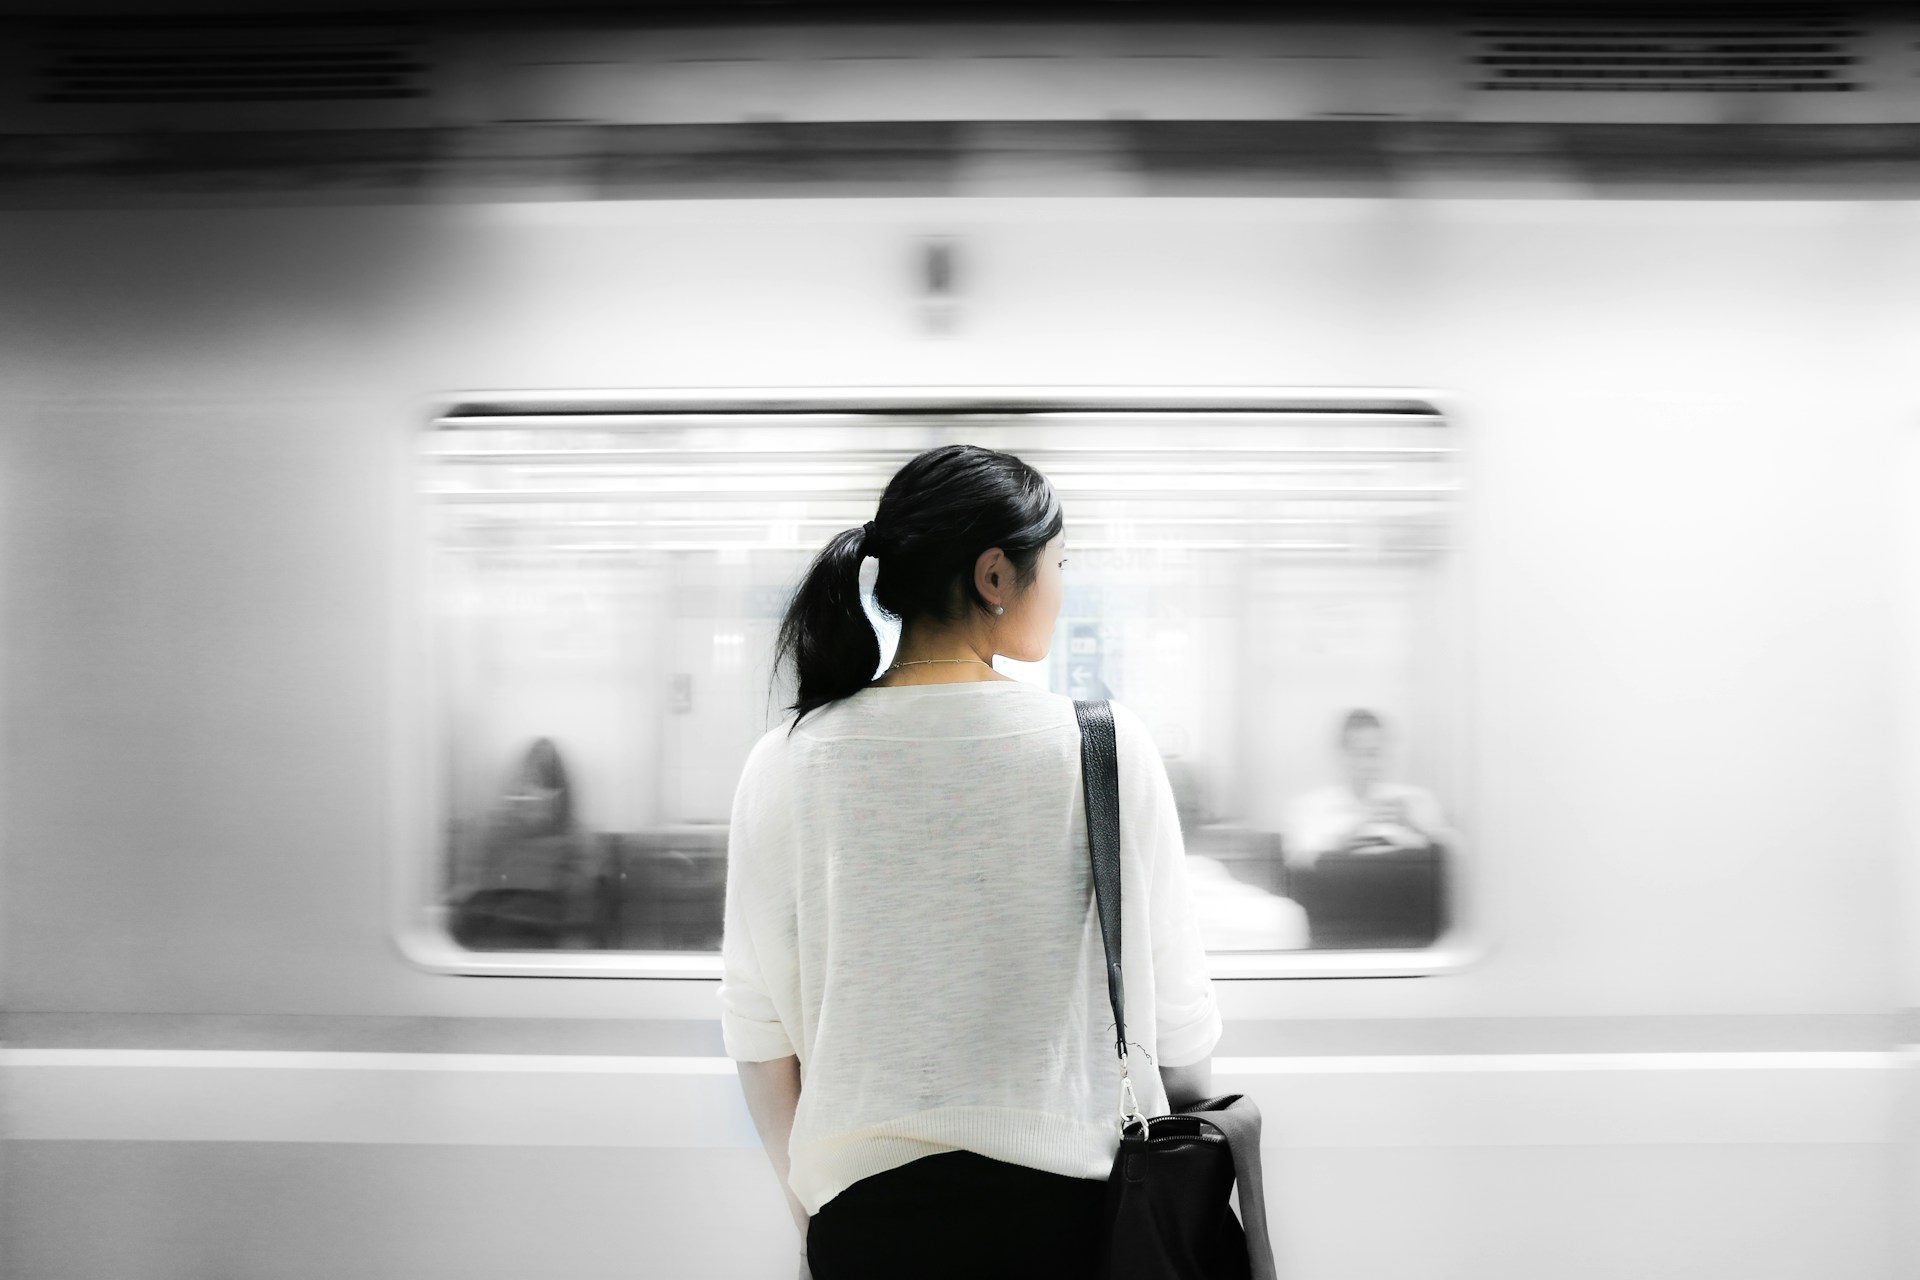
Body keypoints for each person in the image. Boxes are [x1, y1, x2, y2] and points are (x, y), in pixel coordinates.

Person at [717, 444, 1222, 1280]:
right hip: (1079, 1222)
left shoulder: (784, 759)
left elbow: (759, 1031)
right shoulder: (1106, 746)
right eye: (1057, 564)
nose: (1061, 589)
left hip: (866, 1227)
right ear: (995, 576)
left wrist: (814, 1218)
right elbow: (1177, 1019)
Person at [450, 738, 590, 949]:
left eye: (543, 785)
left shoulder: (576, 839)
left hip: (548, 942)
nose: (532, 794)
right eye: (526, 782)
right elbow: (471, 895)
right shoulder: (492, 830)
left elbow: (580, 910)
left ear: (558, 793)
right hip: (494, 940)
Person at [1282, 709, 1456, 869]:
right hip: (1335, 896)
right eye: (1357, 753)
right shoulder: (1310, 808)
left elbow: (1457, 853)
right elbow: (1295, 863)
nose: (1366, 764)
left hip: (1405, 896)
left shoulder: (1414, 801)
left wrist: (1413, 825)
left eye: (1374, 753)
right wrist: (1346, 838)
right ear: (1342, 755)